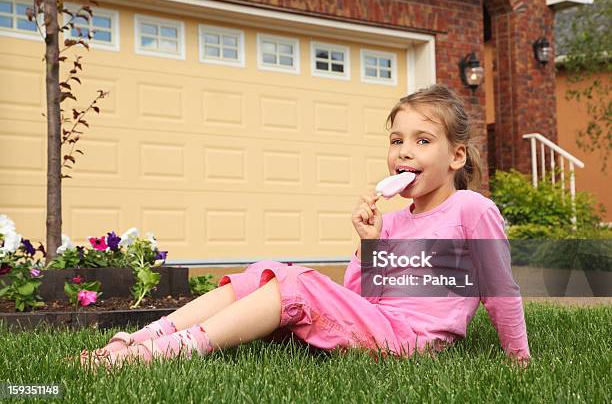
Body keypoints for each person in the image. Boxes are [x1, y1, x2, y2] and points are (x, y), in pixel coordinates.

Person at [79, 84, 530, 368]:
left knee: (297, 282)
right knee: (268, 269)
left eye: (422, 141)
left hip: (413, 343)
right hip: (380, 325)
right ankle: (139, 338)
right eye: (396, 141)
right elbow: (363, 299)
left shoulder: (471, 210)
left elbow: (499, 290)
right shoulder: (392, 223)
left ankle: (167, 353)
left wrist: (519, 359)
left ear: (456, 156)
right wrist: (367, 245)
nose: (403, 153)